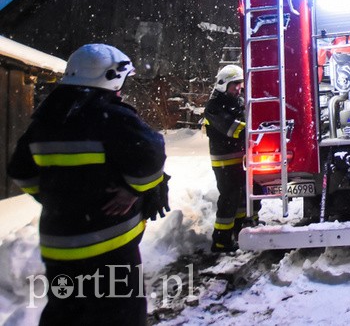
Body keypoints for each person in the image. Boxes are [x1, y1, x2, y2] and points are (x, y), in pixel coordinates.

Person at [7, 43, 169, 326]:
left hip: (59, 247)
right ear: (110, 77)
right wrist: (134, 189)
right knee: (119, 315)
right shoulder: (111, 116)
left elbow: (20, 170)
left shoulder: (46, 118)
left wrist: (55, 197)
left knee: (66, 314)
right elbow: (151, 155)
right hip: (108, 244)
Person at [203, 64, 254, 253]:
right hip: (224, 159)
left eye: (240, 84)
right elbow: (233, 128)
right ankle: (221, 240)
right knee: (229, 196)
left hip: (238, 157)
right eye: (235, 85)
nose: (239, 88)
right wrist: (253, 131)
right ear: (224, 84)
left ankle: (240, 229)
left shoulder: (236, 101)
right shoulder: (214, 106)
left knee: (242, 193)